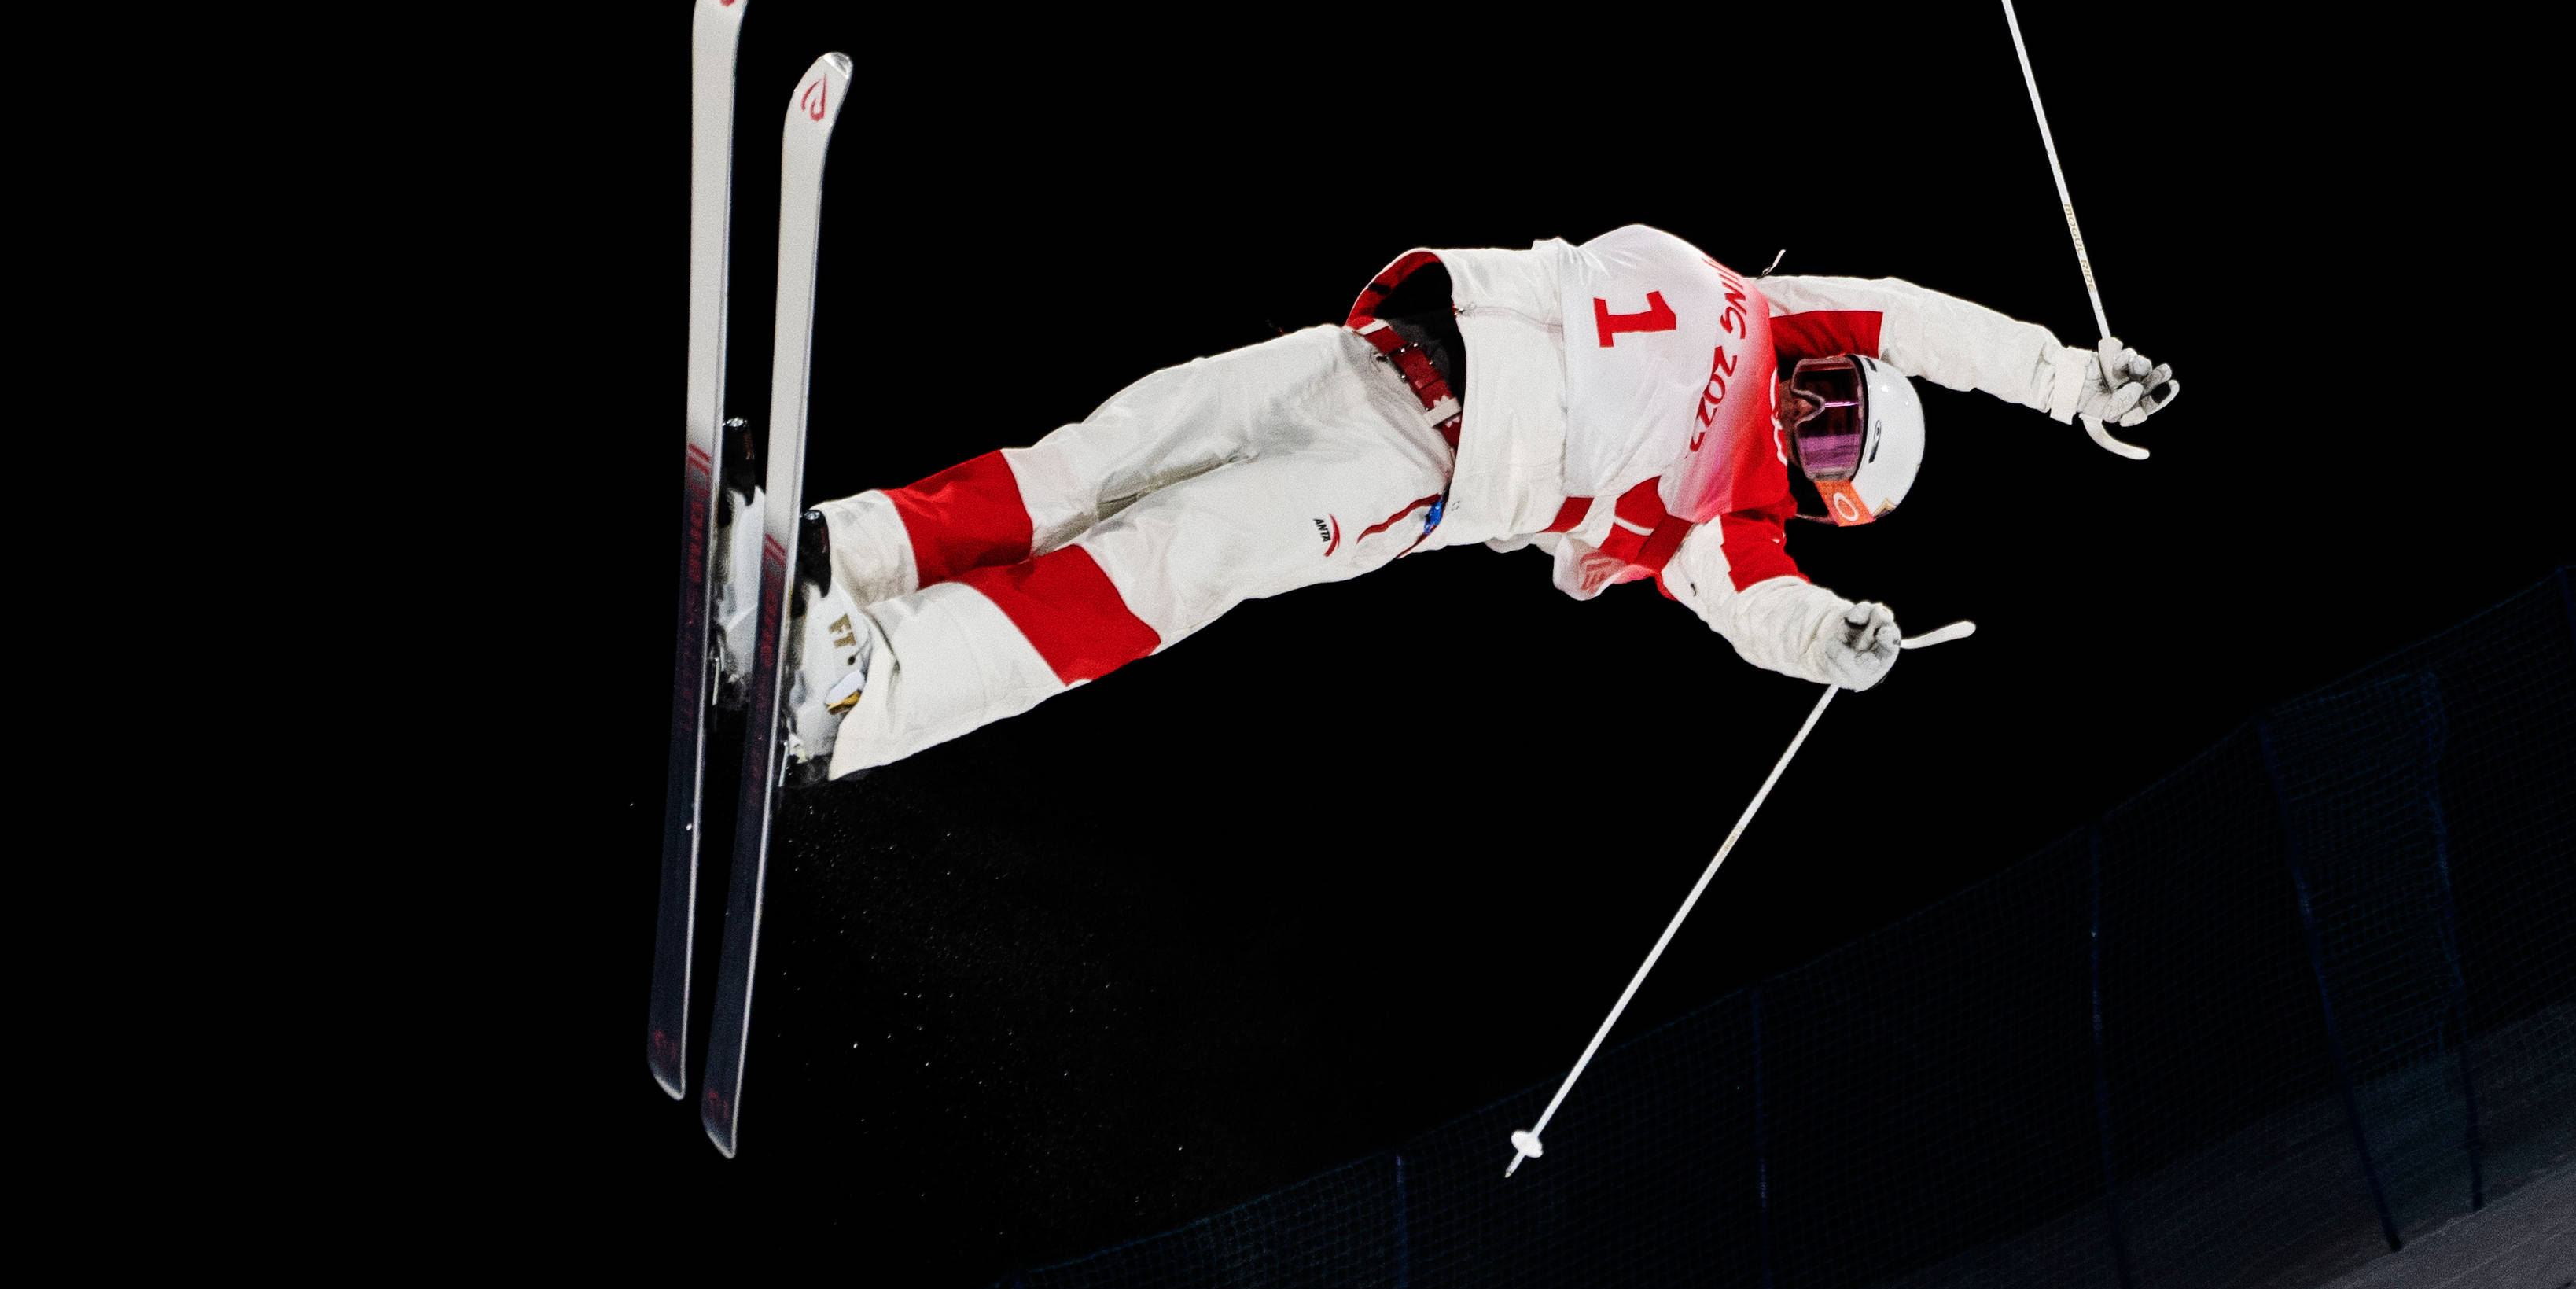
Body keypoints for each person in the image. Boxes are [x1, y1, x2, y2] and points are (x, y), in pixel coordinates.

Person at [779, 228, 2174, 781]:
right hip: (1385, 352)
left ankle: (866, 692)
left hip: (1419, 475)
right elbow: (1932, 323)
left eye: (1828, 449)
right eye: (1834, 396)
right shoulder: (1776, 316)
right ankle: (849, 556)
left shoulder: (1705, 523)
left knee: (1168, 561)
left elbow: (1760, 615)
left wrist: (1836, 645)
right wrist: (2067, 379)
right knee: (1103, 451)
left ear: (1827, 505)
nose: (1807, 419)